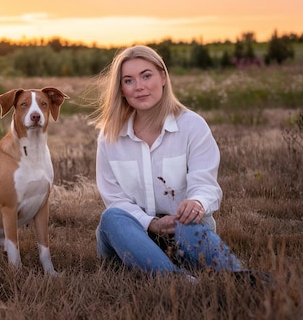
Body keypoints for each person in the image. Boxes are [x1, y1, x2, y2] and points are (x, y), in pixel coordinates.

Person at [90, 45, 246, 277]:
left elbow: (206, 185)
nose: (139, 86)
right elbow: (114, 199)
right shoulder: (110, 136)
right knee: (111, 217)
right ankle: (177, 281)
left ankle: (239, 278)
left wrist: (197, 203)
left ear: (163, 77)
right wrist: (151, 223)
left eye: (146, 75)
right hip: (132, 237)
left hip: (183, 232)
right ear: (121, 89)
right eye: (129, 81)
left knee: (191, 226)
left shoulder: (192, 126)